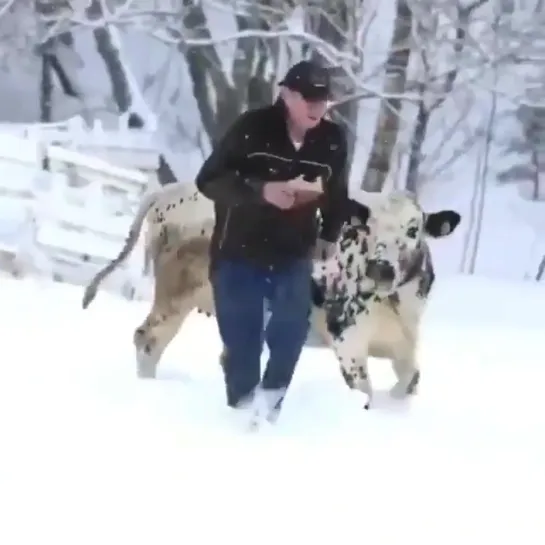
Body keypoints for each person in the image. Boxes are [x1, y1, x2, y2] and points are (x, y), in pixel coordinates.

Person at [195, 60, 349, 426]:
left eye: (322, 99)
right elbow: (209, 180)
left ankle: (270, 404)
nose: (316, 107)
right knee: (242, 340)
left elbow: (337, 192)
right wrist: (260, 190)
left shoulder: (332, 139)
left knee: (291, 328)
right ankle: (240, 411)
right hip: (238, 248)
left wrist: (330, 235)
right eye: (308, 98)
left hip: (293, 249)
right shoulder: (253, 128)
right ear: (286, 94)